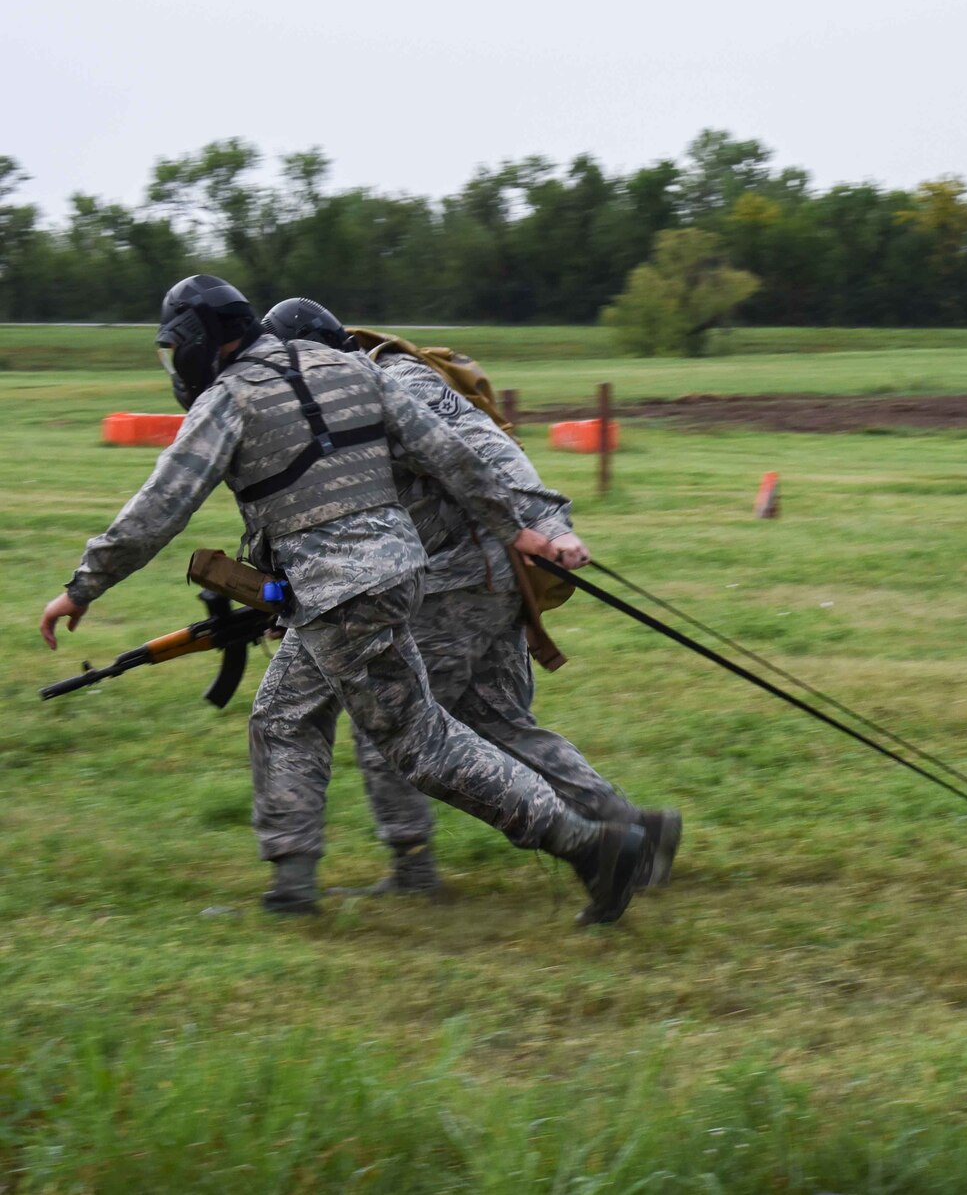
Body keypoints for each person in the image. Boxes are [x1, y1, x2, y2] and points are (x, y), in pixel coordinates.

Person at [38, 275, 668, 923]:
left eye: (176, 351)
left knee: (423, 745)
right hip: (398, 573)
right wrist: (523, 528)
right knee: (282, 715)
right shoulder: (348, 368)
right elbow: (447, 453)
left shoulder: (229, 398)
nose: (176, 367)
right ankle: (292, 886)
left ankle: (595, 848)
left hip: (342, 592)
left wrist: (81, 587)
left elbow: (160, 506)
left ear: (202, 341)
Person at [254, 298, 674, 902]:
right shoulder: (329, 403)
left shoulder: (399, 380)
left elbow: (485, 448)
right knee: (493, 724)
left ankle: (414, 872)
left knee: (392, 726)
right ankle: (634, 832)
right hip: (465, 576)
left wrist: (547, 524)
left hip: (455, 579)